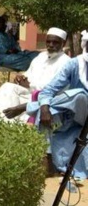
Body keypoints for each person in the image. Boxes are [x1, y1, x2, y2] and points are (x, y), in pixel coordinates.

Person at [33, 30, 88, 182]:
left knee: (78, 95)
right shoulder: (74, 64)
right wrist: (44, 108)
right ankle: (48, 159)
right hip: (77, 113)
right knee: (48, 108)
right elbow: (48, 90)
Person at [0, 28, 70, 121]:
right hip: (28, 92)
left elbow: (54, 89)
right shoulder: (41, 56)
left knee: (9, 96)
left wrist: (30, 85)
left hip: (44, 100)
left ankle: (6, 124)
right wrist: (21, 78)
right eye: (48, 42)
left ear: (63, 43)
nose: (51, 45)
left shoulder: (66, 63)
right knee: (7, 87)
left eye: (55, 42)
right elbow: (28, 73)